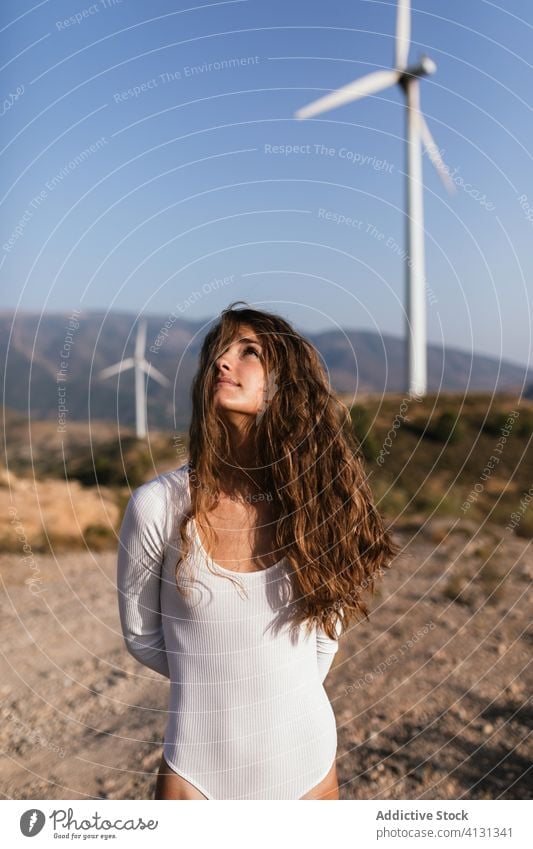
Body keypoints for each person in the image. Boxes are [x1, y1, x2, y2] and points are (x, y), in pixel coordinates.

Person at [117, 301, 399, 800]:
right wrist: (220, 675)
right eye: (218, 355)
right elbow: (143, 638)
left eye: (248, 352)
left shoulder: (315, 506)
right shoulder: (156, 506)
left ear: (284, 384)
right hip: (196, 775)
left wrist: (267, 690)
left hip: (306, 771)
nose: (224, 362)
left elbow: (323, 642)